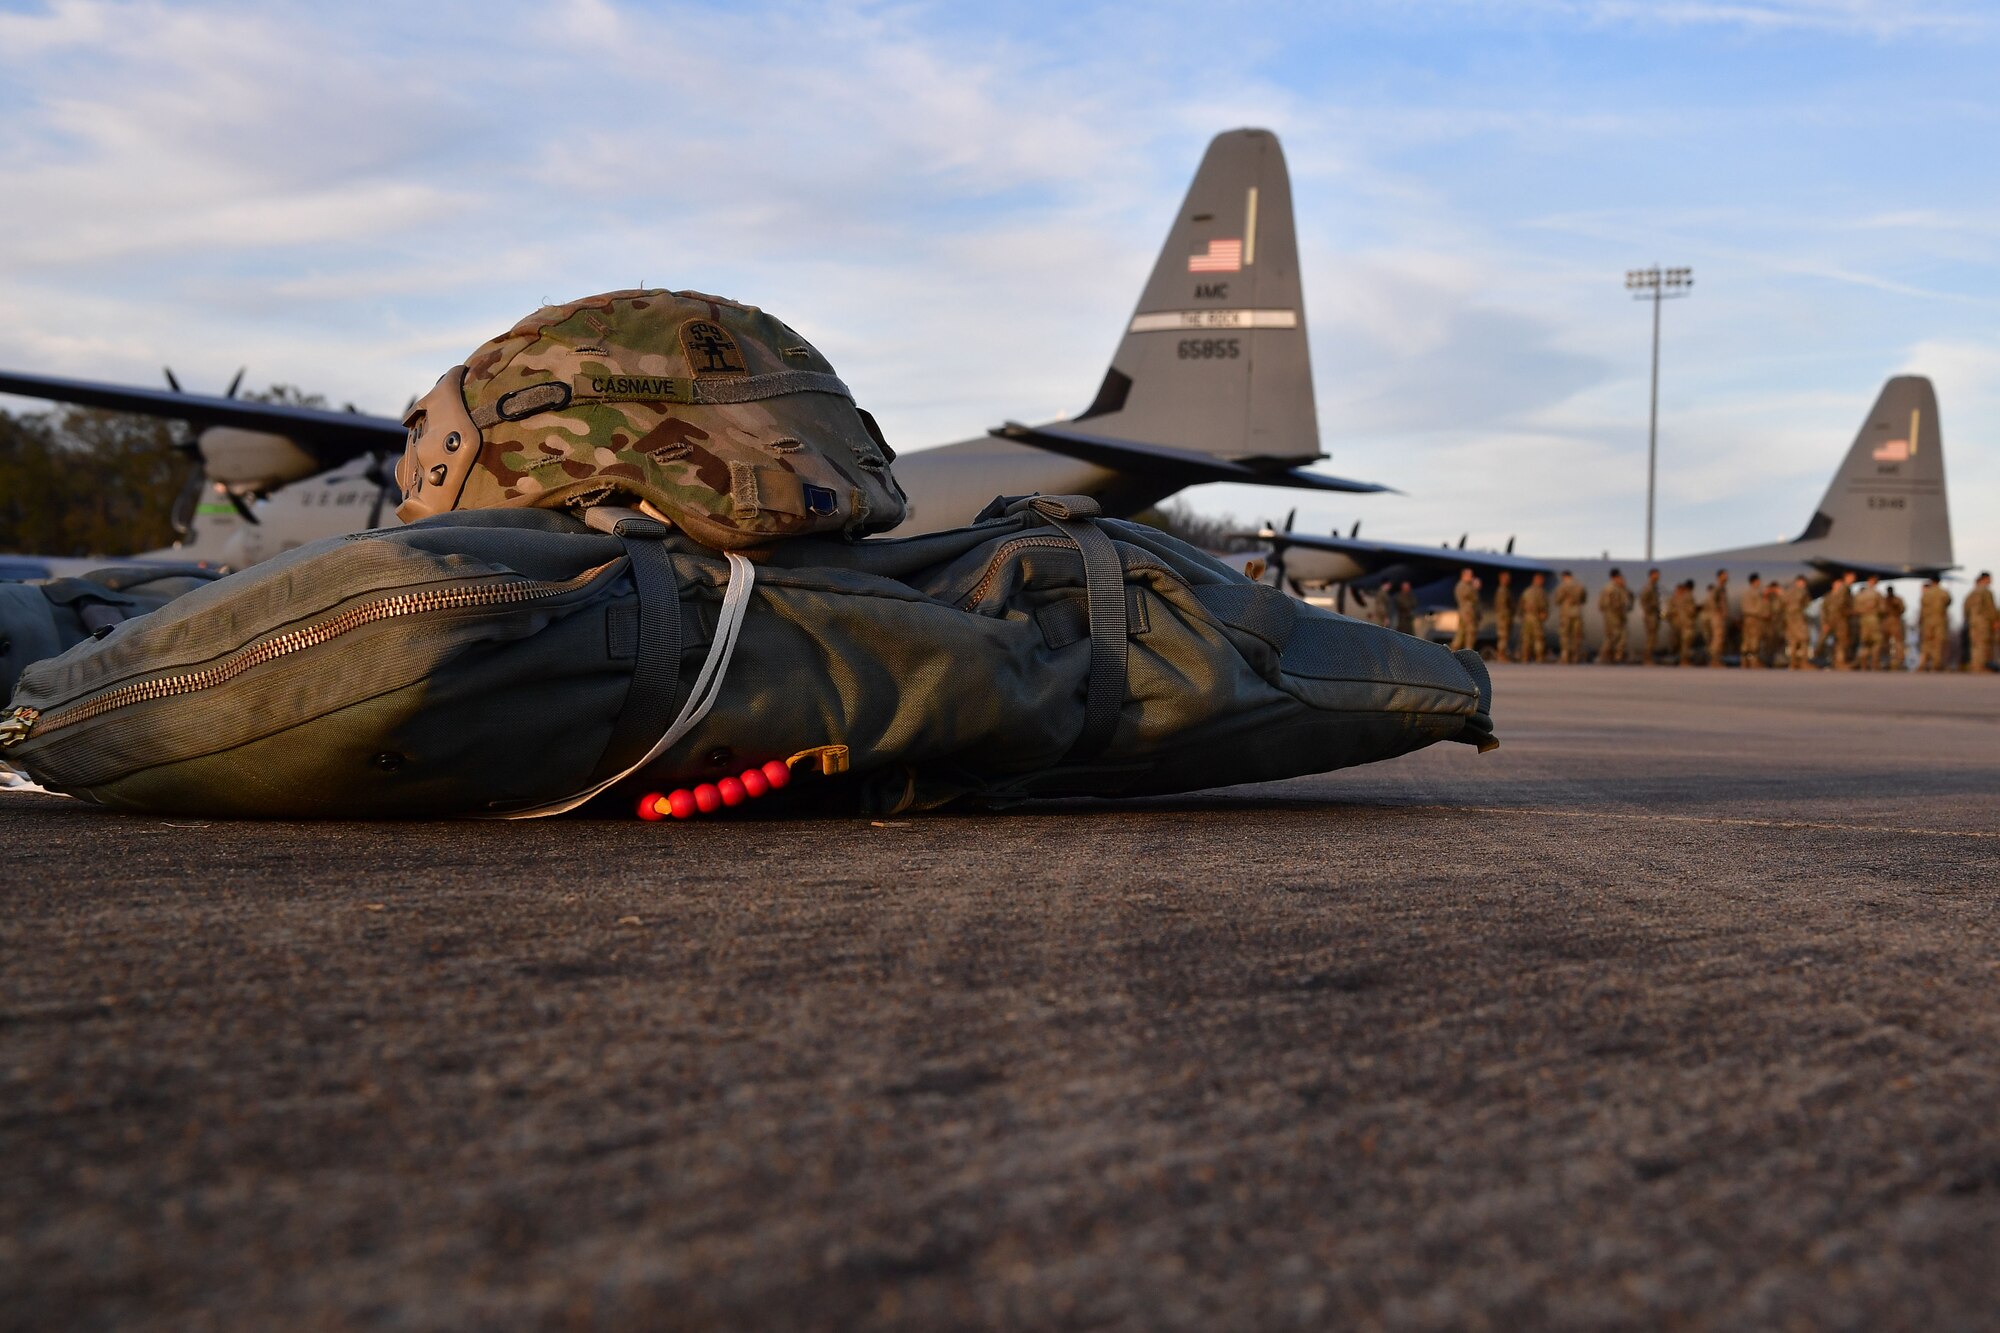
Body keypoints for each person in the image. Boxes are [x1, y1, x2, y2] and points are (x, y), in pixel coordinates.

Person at [1820, 571, 1855, 669]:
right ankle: (1823, 659)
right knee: (1826, 641)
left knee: (1841, 641)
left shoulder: (1845, 591)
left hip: (1840, 620)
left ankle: (1838, 661)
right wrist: (1825, 623)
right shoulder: (1832, 595)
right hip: (1834, 620)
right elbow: (1824, 610)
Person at [1597, 569, 1632, 665]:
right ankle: (1604, 655)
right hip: (1612, 615)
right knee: (1613, 635)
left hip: (1620, 615)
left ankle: (1617, 656)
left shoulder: (1621, 588)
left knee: (1623, 635)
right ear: (1614, 577)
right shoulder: (1609, 588)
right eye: (1618, 577)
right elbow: (1604, 603)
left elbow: (1627, 600)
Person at [1918, 578, 1952, 672]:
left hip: (1927, 621)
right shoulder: (1943, 592)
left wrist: (1920, 621)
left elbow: (1922, 607)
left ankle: (1922, 663)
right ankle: (1936, 664)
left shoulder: (1926, 593)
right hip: (1939, 621)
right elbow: (1948, 602)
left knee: (1926, 642)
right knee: (1938, 642)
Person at [1554, 571, 1587, 664]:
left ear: (1564, 576)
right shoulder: (1580, 586)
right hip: (1577, 613)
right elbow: (1584, 599)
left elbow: (1557, 600)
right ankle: (1575, 656)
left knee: (1564, 635)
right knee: (1576, 636)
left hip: (1566, 614)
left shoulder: (1562, 586)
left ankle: (1565, 656)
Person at [1967, 572, 1997, 673]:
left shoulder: (1972, 592)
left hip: (1973, 622)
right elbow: (1990, 608)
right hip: (1984, 622)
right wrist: (1995, 620)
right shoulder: (1986, 591)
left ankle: (1976, 666)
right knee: (1984, 644)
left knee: (1975, 644)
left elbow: (1966, 607)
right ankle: (1983, 667)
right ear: (1985, 579)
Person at [1852, 575, 1883, 671]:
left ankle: (1863, 663)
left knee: (1864, 642)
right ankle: (1875, 663)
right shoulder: (1877, 594)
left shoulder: (1860, 595)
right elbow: (1883, 609)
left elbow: (1855, 609)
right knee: (1877, 641)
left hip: (1863, 620)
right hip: (1874, 620)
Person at [1783, 575, 1813, 670]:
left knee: (1793, 641)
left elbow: (1783, 602)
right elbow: (1807, 603)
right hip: (1797, 618)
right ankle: (1804, 662)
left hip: (1789, 619)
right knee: (1804, 638)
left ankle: (1793, 663)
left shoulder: (1787, 591)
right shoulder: (1801, 591)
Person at [1518, 573, 1550, 663]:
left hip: (1527, 617)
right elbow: (1543, 604)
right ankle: (1539, 657)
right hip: (1536, 618)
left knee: (1526, 638)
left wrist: (1522, 615)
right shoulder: (1540, 591)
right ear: (1537, 580)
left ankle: (1525, 657)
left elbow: (1521, 604)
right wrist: (1544, 613)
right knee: (1538, 638)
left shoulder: (1527, 591)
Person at [1739, 573, 1769, 668]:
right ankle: (1753, 662)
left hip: (1748, 619)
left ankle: (1744, 661)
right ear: (1755, 581)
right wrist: (1762, 614)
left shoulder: (1745, 593)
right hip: (1754, 619)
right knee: (1754, 640)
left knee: (1746, 640)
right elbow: (1757, 608)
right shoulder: (1755, 593)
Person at [1450, 569, 1482, 652]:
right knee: (1470, 633)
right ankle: (1468, 652)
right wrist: (1475, 588)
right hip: (1467, 613)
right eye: (1469, 575)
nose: (1471, 577)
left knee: (1462, 633)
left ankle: (1455, 651)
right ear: (1463, 575)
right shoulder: (1463, 586)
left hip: (1467, 612)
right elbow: (1472, 597)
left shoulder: (1467, 586)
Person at [1705, 570, 1732, 667]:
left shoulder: (1722, 588)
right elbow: (1711, 600)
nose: (1726, 577)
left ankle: (1717, 660)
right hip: (1717, 617)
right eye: (1724, 575)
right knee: (1717, 639)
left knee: (1720, 639)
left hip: (1720, 617)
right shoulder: (1717, 588)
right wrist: (1717, 611)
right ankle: (1714, 660)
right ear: (1719, 577)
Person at [1669, 580, 1699, 667]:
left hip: (1679, 623)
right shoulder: (1688, 596)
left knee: (1683, 642)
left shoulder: (1678, 598)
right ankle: (1684, 660)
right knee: (1686, 642)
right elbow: (1691, 610)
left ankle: (1682, 659)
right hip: (1686, 623)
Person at [1638, 568, 1663, 666]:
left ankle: (1648, 657)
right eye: (1656, 574)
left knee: (1653, 638)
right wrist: (1649, 610)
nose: (1658, 576)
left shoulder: (1654, 587)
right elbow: (1643, 599)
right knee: (1651, 637)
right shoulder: (1649, 587)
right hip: (1650, 616)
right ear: (1651, 575)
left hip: (1654, 615)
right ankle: (1647, 658)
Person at [1492, 570, 1516, 663]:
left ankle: (1502, 654)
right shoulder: (1502, 591)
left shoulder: (1505, 590)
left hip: (1505, 616)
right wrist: (1505, 616)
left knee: (1504, 637)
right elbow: (1502, 605)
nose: (1508, 580)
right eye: (1506, 578)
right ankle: (1501, 655)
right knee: (1503, 636)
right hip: (1503, 617)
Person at [1883, 585, 1908, 671]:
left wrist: (1896, 605)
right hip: (1886, 621)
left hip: (1895, 621)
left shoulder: (1897, 600)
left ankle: (1900, 661)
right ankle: (1886, 661)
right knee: (1885, 643)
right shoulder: (1884, 600)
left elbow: (1903, 609)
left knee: (1898, 643)